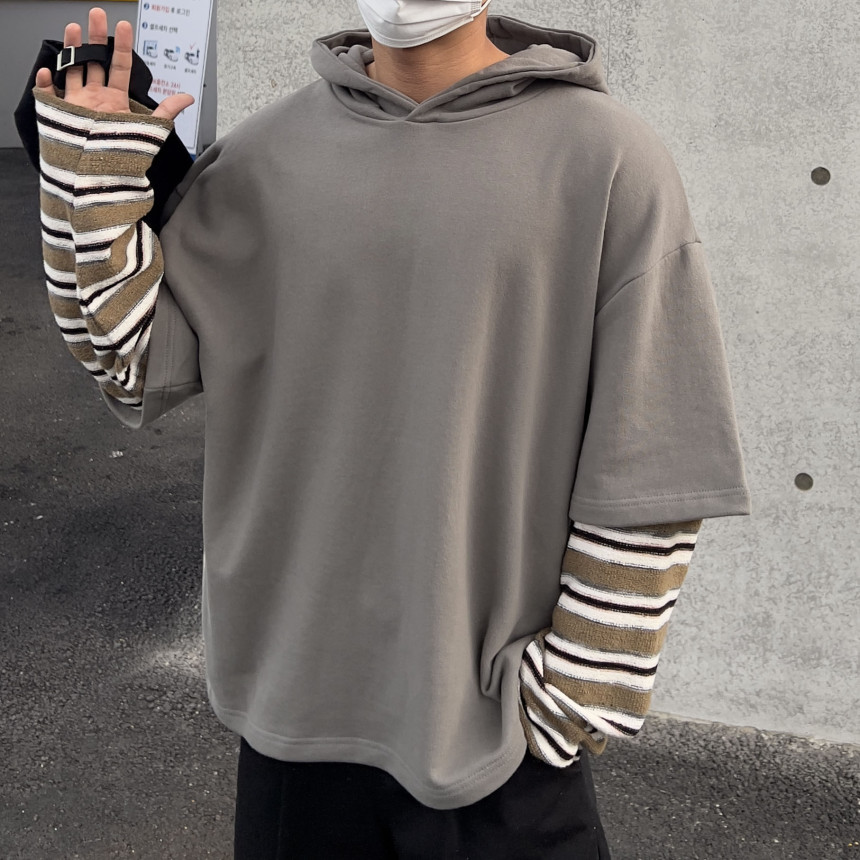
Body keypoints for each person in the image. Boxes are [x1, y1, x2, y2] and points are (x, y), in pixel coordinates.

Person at [33, 3, 751, 857]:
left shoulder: (606, 159)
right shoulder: (264, 156)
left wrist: (575, 694)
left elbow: (656, 450)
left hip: (495, 739)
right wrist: (89, 191)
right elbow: (132, 362)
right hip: (294, 717)